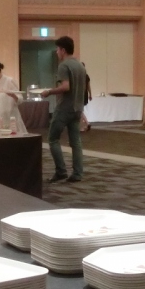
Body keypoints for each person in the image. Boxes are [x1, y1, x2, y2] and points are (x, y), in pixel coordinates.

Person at [40, 36, 86, 183]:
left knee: (53, 139)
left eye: (58, 49)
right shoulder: (80, 66)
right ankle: (77, 173)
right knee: (75, 142)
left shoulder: (64, 66)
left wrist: (49, 91)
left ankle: (61, 171)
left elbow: (65, 87)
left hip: (65, 108)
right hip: (77, 108)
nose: (56, 52)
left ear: (63, 50)